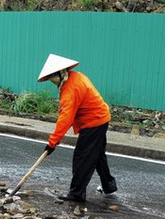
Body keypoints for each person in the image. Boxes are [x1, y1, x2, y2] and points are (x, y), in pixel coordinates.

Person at [37, 53, 117, 202]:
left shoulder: (70, 89)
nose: (52, 81)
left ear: (62, 72)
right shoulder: (76, 76)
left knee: (82, 157)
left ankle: (76, 194)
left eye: (53, 77)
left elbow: (65, 119)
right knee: (97, 154)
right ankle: (109, 185)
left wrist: (52, 143)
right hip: (100, 118)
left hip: (94, 122)